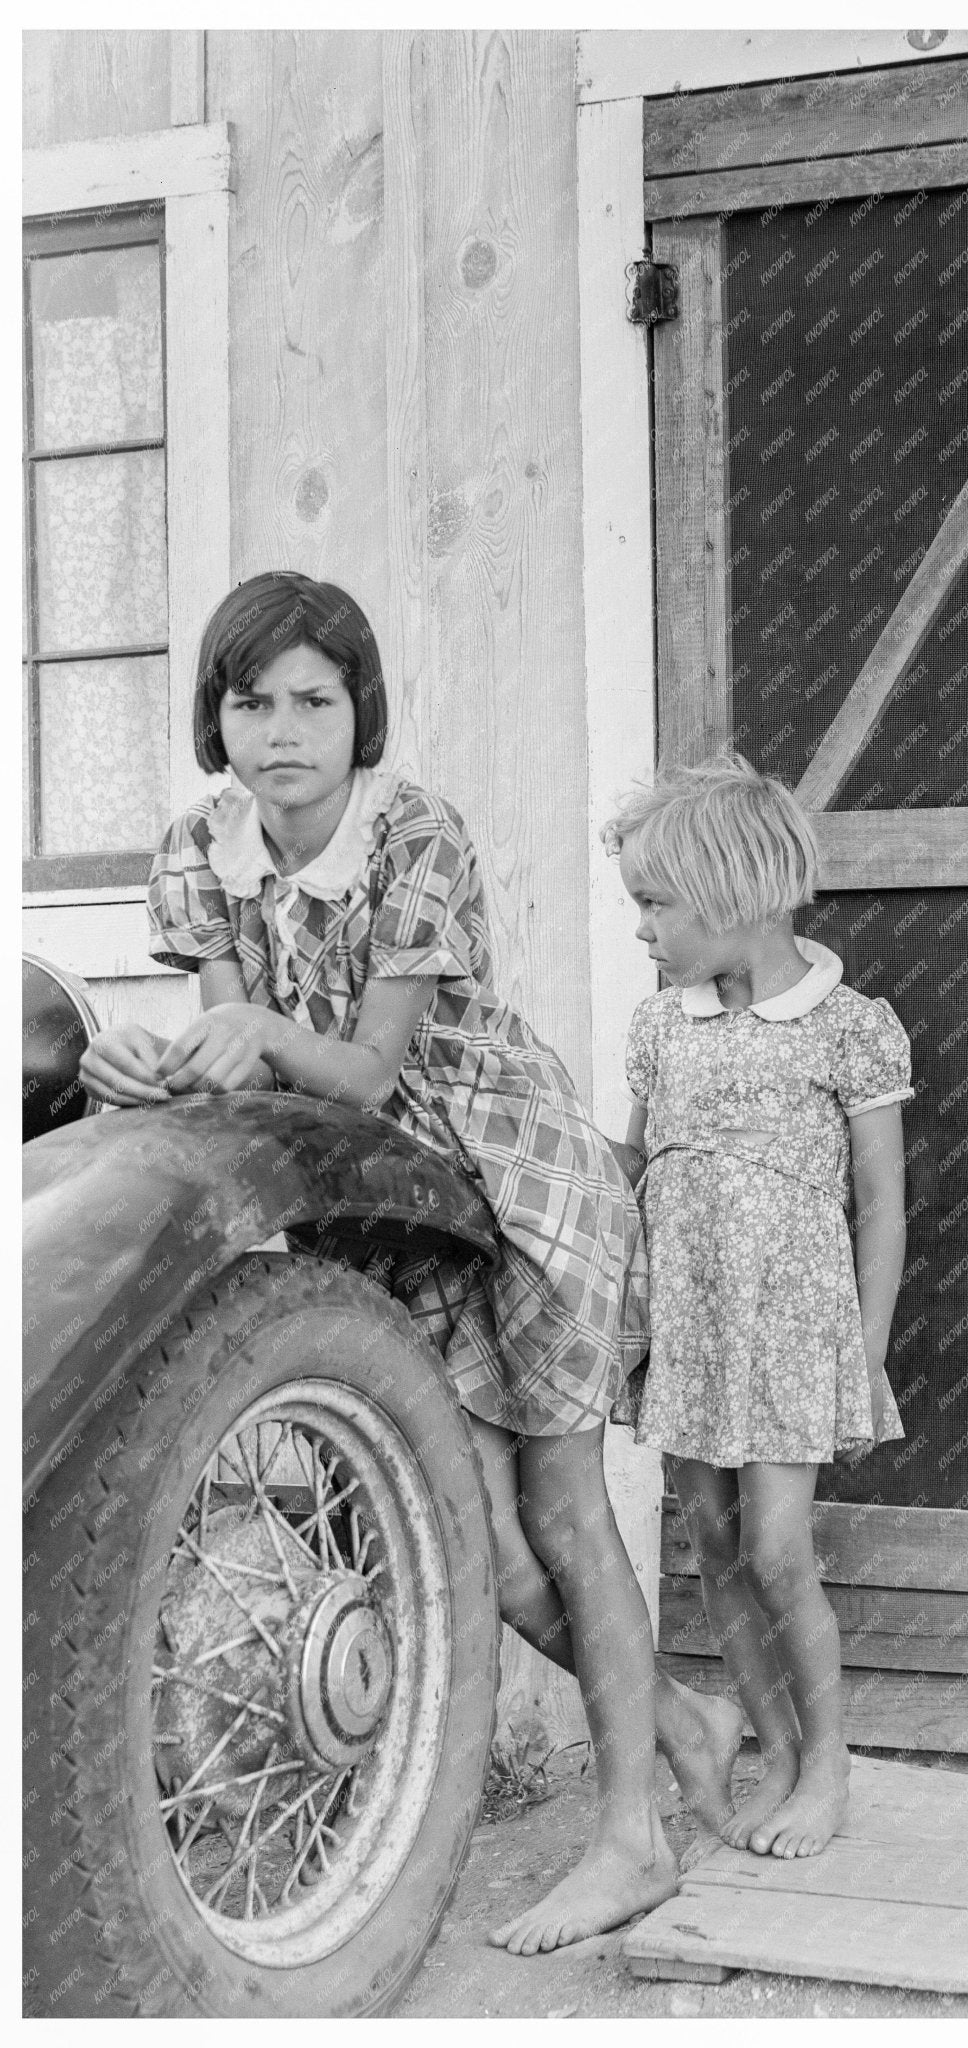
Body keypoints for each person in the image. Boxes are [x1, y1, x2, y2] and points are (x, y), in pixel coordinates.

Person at [77, 570, 744, 1953]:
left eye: (313, 700)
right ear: (216, 718)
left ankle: (632, 1844)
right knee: (482, 1547)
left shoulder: (416, 836)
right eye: (248, 701)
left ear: (357, 710)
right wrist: (143, 1065)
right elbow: (240, 1067)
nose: (281, 731)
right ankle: (689, 1723)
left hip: (515, 1178)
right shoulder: (201, 851)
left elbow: (372, 1066)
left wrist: (252, 1033)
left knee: (563, 1510)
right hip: (380, 1203)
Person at [604, 753, 911, 1859]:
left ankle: (829, 1763)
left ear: (734, 894)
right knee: (716, 1544)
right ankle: (774, 1743)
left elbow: (880, 1207)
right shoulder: (661, 1027)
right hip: (693, 1326)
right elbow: (634, 1168)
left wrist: (864, 1358)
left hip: (788, 1334)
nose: (642, 928)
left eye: (655, 903)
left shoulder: (848, 1026)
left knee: (779, 1548)